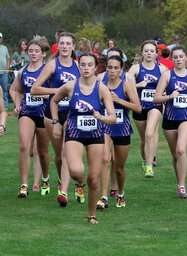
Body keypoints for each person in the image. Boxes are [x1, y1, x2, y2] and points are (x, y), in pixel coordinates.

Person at [51, 53, 115, 224]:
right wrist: (56, 121)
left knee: (94, 179)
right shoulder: (70, 86)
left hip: (95, 135)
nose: (86, 68)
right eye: (83, 65)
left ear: (95, 68)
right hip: (74, 133)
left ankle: (91, 215)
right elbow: (54, 101)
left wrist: (100, 117)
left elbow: (113, 117)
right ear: (79, 67)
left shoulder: (102, 89)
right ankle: (79, 183)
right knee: (76, 171)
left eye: (89, 65)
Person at [31, 32, 80, 206]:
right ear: (57, 46)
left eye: (68, 43)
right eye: (62, 43)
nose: (65, 46)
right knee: (59, 155)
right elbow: (35, 89)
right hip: (52, 114)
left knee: (68, 153)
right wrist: (58, 92)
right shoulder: (52, 65)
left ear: (73, 46)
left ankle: (65, 190)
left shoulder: (78, 66)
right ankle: (64, 182)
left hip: (72, 114)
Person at [154, 46, 187, 198]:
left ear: (186, 58)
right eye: (175, 57)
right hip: (170, 118)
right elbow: (156, 98)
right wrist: (170, 96)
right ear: (172, 59)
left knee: (180, 149)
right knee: (175, 154)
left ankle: (183, 186)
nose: (178, 59)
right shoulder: (167, 76)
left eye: (181, 57)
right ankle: (179, 183)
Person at [96, 55, 141, 209]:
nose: (112, 71)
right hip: (105, 127)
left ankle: (120, 193)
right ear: (106, 68)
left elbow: (138, 108)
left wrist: (118, 100)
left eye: (116, 68)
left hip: (122, 129)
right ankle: (104, 196)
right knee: (105, 160)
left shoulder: (126, 84)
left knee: (120, 168)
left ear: (121, 69)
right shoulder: (100, 83)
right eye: (110, 67)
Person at [10, 38, 50, 198]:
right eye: (31, 51)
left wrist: (47, 95)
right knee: (24, 147)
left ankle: (44, 179)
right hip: (27, 112)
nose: (33, 53)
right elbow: (14, 90)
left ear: (43, 54)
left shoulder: (48, 70)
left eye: (36, 51)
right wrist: (18, 104)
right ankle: (24, 185)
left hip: (44, 113)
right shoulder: (23, 70)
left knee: (41, 151)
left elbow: (59, 91)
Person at [127, 40, 167, 178]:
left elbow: (168, 86)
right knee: (144, 138)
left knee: (150, 133)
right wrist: (138, 85)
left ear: (156, 54)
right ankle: (146, 159)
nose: (149, 53)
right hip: (139, 107)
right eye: (146, 51)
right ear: (142, 53)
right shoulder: (135, 69)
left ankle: (149, 166)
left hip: (155, 105)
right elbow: (125, 87)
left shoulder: (162, 69)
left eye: (152, 51)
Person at [0, 33, 10, 107]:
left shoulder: (5, 48)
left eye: (0, 38)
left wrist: (7, 68)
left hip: (4, 72)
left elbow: (8, 58)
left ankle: (5, 105)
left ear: (1, 39)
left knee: (5, 89)